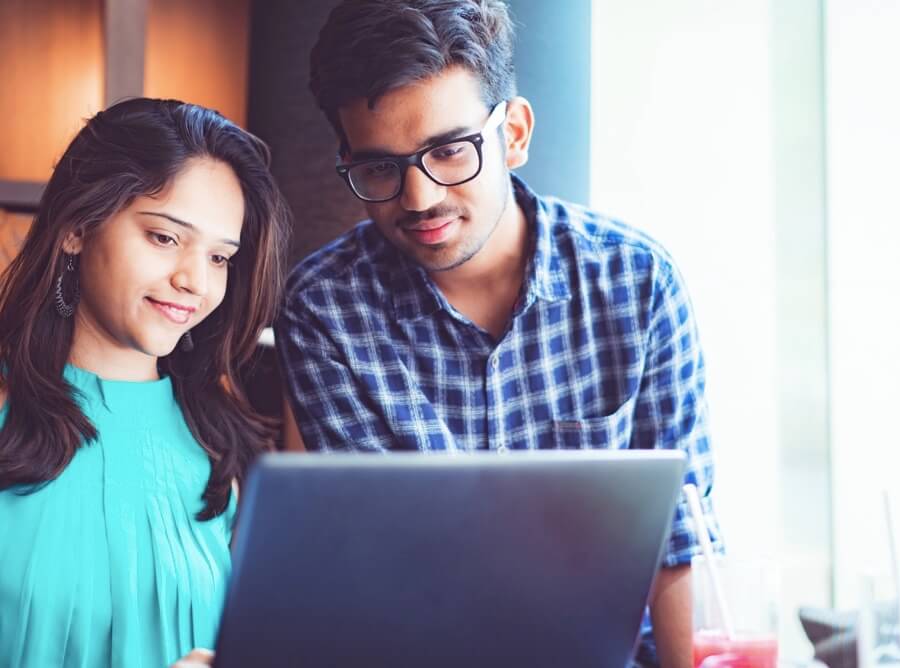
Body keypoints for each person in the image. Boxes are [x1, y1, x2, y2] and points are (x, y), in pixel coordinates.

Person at [275, 1, 724, 666]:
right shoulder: (325, 310)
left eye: (449, 151)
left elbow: (681, 547)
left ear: (512, 132)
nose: (419, 198)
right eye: (379, 168)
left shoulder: (637, 281)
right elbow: (383, 571)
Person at [0, 98, 291, 668]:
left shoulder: (222, 445)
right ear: (77, 228)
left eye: (219, 257)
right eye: (164, 237)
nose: (194, 281)